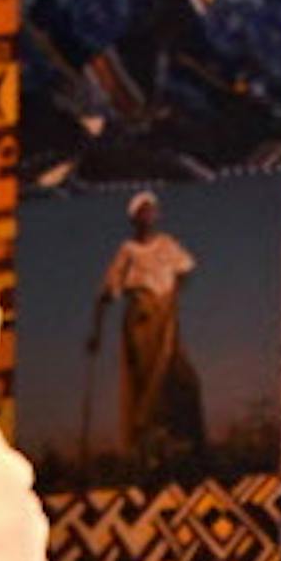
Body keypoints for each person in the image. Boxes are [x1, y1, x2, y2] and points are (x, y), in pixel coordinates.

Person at [91, 190, 207, 476]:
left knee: (182, 377)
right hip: (141, 318)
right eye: (143, 210)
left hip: (166, 317)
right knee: (147, 383)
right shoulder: (128, 250)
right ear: (135, 218)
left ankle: (189, 445)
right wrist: (96, 331)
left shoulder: (167, 244)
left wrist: (172, 298)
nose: (148, 215)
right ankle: (147, 452)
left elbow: (185, 270)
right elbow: (107, 291)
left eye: (151, 209)